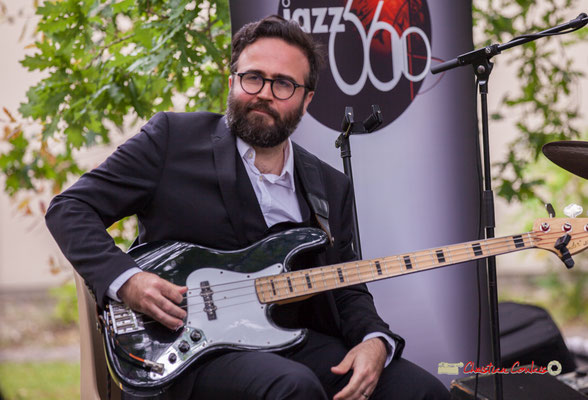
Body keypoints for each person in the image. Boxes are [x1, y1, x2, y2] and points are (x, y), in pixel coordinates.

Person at [46, 15, 449, 400]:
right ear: (232, 80)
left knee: (422, 392)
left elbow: (345, 285)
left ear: (306, 100)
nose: (264, 94)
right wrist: (128, 280)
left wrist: (374, 341)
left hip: (293, 343)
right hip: (190, 350)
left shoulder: (329, 185)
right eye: (253, 77)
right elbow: (70, 208)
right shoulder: (172, 140)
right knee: (292, 389)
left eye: (283, 84)